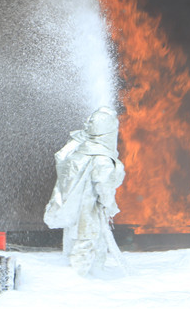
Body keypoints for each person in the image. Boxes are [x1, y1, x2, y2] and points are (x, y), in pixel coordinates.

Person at [43, 107, 126, 276]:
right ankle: (82, 281)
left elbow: (63, 166)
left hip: (73, 210)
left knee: (73, 242)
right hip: (90, 212)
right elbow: (104, 187)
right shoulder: (102, 159)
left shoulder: (78, 152)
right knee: (89, 244)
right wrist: (109, 205)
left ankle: (78, 278)